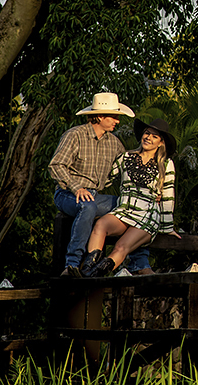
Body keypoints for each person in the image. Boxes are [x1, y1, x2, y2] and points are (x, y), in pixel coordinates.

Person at [49, 92, 152, 276]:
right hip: (67, 194)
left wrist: (151, 192)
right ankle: (72, 265)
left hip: (95, 195)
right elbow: (56, 165)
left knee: (136, 207)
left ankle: (140, 263)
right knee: (87, 206)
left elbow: (129, 168)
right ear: (99, 116)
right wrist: (76, 187)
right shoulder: (75, 135)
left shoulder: (114, 143)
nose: (117, 121)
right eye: (113, 116)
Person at [80, 116, 180, 277]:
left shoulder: (166, 164)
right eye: (147, 133)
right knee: (101, 225)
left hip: (147, 215)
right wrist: (81, 186)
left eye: (155, 136)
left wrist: (167, 227)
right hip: (124, 210)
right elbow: (105, 180)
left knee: (121, 247)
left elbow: (168, 196)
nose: (148, 138)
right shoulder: (125, 157)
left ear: (161, 142)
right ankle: (87, 270)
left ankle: (96, 276)